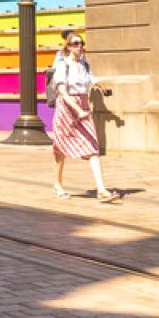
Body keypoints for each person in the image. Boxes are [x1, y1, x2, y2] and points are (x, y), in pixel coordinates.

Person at [49, 30, 119, 203]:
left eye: (81, 43)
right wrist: (77, 110)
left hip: (82, 105)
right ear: (68, 47)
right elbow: (63, 93)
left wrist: (101, 87)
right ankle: (58, 184)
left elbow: (90, 78)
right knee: (61, 149)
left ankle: (101, 190)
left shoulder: (84, 65)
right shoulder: (62, 65)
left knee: (93, 147)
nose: (79, 47)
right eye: (75, 44)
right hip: (67, 108)